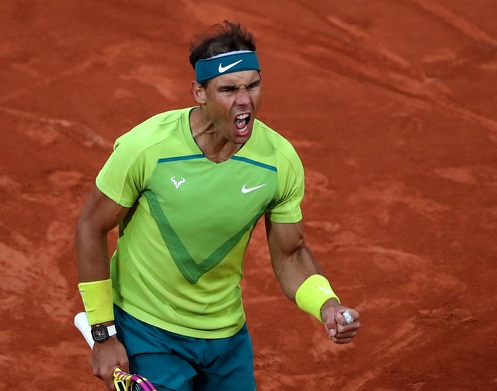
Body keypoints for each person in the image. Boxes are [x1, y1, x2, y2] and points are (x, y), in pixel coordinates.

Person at [74, 20, 361, 391]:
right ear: (199, 92)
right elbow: (91, 227)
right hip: (148, 330)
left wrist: (328, 305)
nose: (244, 101)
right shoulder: (147, 148)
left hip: (226, 337)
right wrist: (104, 334)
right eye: (228, 89)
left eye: (252, 85)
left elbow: (291, 255)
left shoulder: (279, 160)